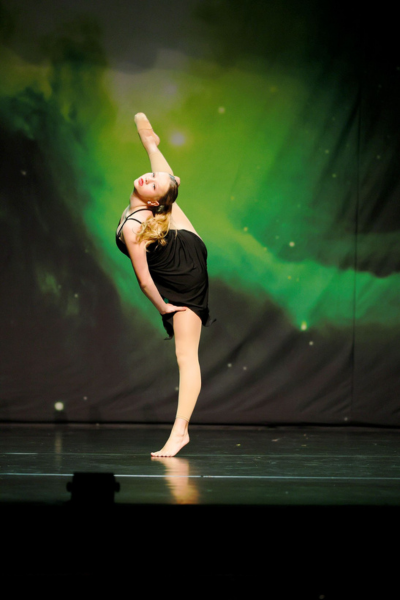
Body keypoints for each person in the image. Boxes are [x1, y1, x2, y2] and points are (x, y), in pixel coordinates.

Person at [115, 113, 214, 457]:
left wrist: (165, 309)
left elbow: (144, 281)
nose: (147, 179)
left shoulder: (135, 226)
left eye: (153, 184)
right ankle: (156, 150)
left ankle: (180, 432)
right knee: (169, 179)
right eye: (151, 178)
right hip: (184, 242)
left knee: (186, 355)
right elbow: (156, 160)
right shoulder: (154, 207)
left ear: (152, 201)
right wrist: (143, 125)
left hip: (184, 276)